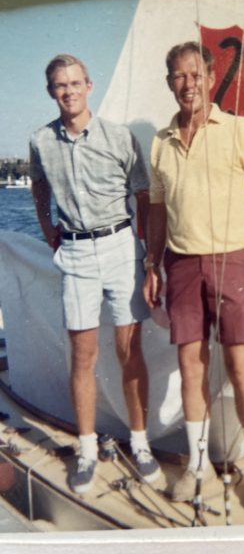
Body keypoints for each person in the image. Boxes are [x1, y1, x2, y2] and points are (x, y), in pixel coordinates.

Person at [144, 42, 244, 510]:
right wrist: (151, 263)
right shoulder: (161, 141)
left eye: (196, 74)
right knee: (190, 367)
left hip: (234, 258)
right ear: (170, 84)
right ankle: (197, 466)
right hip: (181, 264)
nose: (189, 84)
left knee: (241, 366)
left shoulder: (240, 130)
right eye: (179, 77)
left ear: (209, 76)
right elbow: (157, 211)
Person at [29, 54, 160, 494]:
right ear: (51, 92)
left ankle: (140, 443)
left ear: (89, 85)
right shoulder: (40, 141)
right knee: (83, 354)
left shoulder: (118, 137)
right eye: (59, 86)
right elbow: (40, 185)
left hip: (121, 245)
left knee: (129, 351)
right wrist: (49, 231)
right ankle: (87, 448)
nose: (68, 92)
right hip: (77, 252)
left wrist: (145, 255)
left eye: (74, 83)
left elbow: (142, 194)